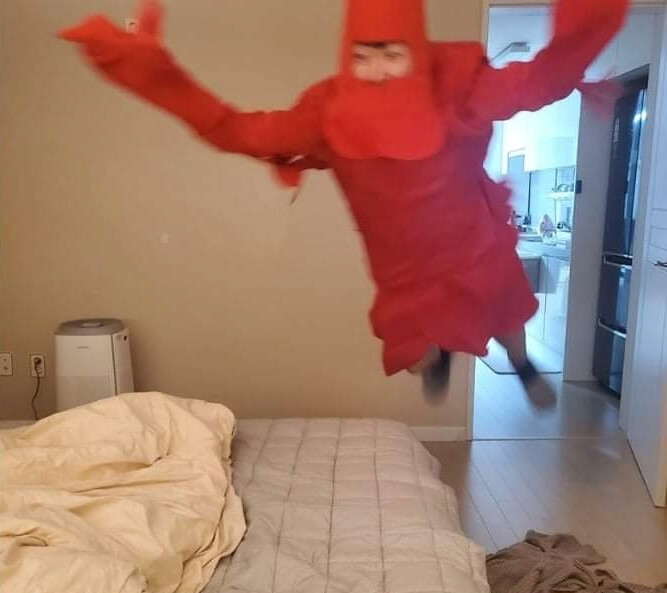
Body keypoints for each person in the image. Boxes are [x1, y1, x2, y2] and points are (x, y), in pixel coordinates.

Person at [60, 0, 628, 407]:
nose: (377, 71)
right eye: (363, 56)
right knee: (414, 352)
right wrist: (157, 78)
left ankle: (523, 366)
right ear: (346, 55)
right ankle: (440, 355)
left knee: (505, 311)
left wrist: (584, 27)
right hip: (403, 270)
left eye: (391, 55)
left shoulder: (458, 91)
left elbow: (539, 82)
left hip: (471, 244)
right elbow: (235, 129)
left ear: (413, 52)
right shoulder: (325, 116)